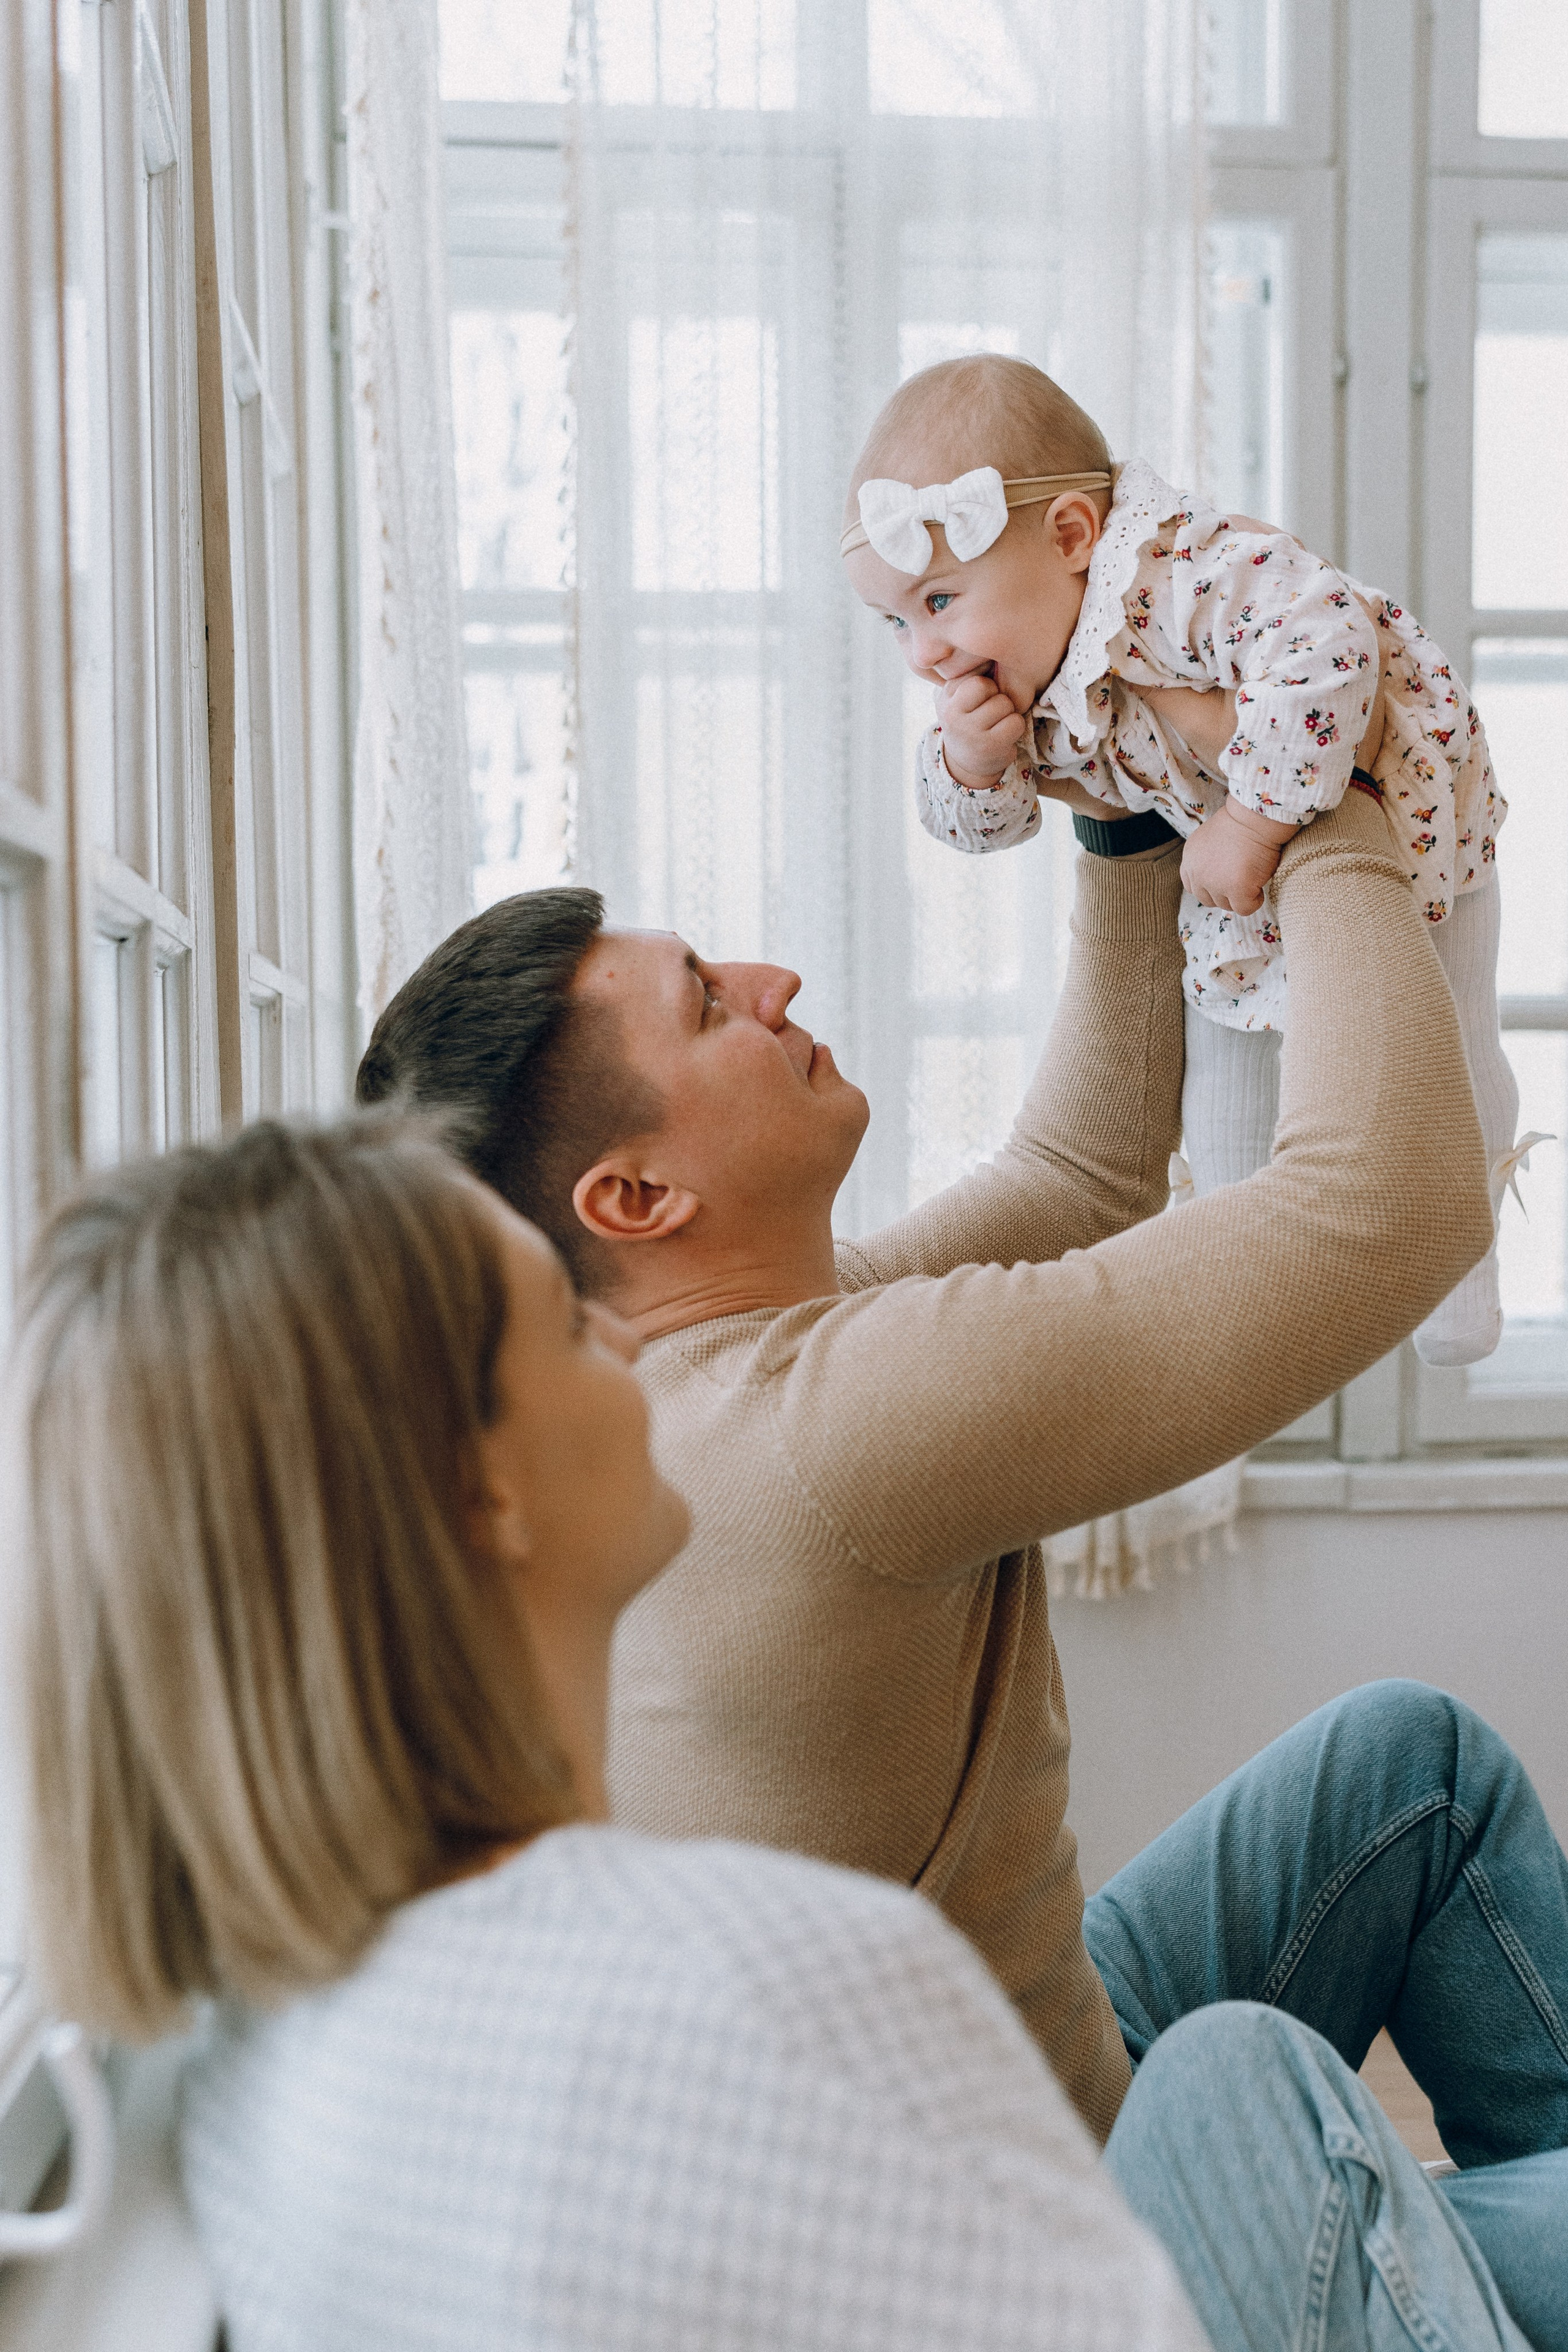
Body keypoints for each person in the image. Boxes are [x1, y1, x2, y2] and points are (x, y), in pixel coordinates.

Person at [7, 1114, 1550, 2351]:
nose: (626, 1349)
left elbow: (1076, 1156)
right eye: (563, 1321)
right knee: (1237, 2085)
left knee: (1381, 1793)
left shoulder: (249, 2046)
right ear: (478, 1488)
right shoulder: (777, 1978)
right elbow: (1381, 1203)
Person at [840, 352, 1526, 1368]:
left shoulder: (1184, 568)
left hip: (1406, 810)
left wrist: (1252, 820)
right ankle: (1265, 1307)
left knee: (1446, 1042)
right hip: (1224, 868)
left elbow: (1332, 646)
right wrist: (970, 763)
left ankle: (1460, 1285)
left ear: (1073, 536)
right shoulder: (1024, 660)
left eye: (939, 602)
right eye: (896, 621)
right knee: (1226, 1088)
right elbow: (985, 832)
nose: (922, 653)